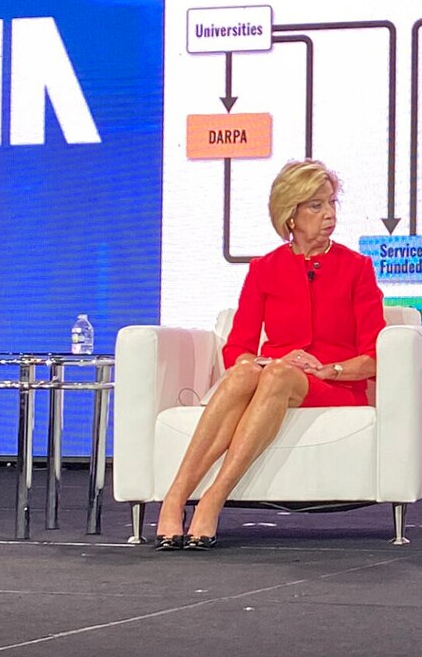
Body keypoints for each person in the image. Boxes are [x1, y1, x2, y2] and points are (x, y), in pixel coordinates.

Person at [154, 159, 385, 550]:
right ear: (290, 215)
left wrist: (329, 369)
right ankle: (175, 498)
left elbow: (374, 356)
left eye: (330, 203)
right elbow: (238, 348)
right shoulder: (265, 269)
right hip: (273, 377)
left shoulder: (356, 268)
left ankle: (212, 499)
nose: (329, 214)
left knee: (275, 375)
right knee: (246, 374)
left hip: (333, 386)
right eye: (315, 205)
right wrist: (263, 362)